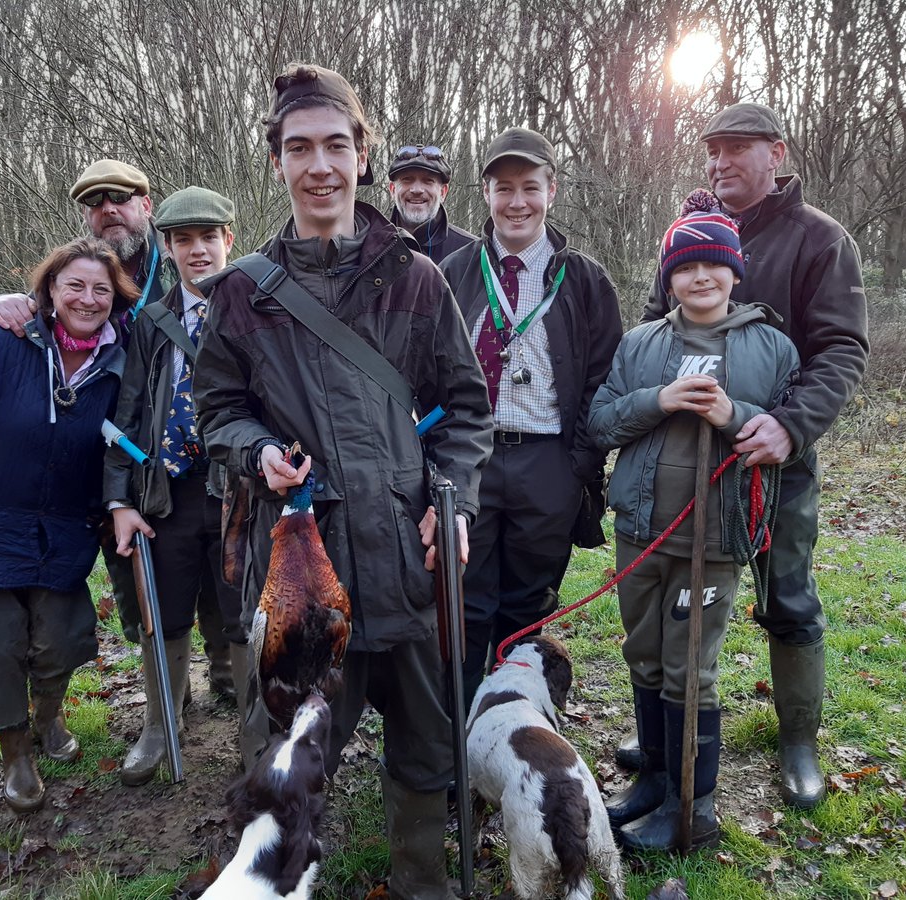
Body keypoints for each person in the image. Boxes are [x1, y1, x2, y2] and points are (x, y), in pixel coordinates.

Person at [193, 63, 492, 899]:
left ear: (362, 156)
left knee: (428, 743)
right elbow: (218, 410)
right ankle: (276, 879)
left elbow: (467, 411)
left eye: (335, 145)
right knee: (284, 745)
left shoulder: (418, 280)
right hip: (300, 569)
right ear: (278, 162)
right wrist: (257, 453)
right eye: (299, 148)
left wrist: (453, 499)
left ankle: (422, 880)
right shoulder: (243, 291)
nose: (319, 165)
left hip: (410, 558)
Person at [632, 103, 870, 809]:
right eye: (713, 150)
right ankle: (669, 741)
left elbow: (841, 349)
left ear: (777, 153)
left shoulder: (819, 240)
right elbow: (652, 329)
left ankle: (798, 741)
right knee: (677, 609)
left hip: (773, 467)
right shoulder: (692, 229)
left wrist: (790, 429)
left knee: (788, 599)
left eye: (738, 148)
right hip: (684, 471)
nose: (721, 161)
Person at [589, 190, 801, 850]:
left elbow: (787, 436)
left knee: (691, 668)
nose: (699, 278)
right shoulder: (640, 343)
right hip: (641, 530)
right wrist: (660, 399)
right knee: (644, 656)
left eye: (712, 266)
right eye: (684, 267)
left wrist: (730, 415)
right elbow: (599, 422)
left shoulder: (772, 348)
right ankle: (654, 780)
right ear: (669, 276)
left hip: (714, 536)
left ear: (734, 271)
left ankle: (694, 808)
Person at [0, 160, 237, 706]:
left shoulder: (186, 270)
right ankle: (167, 705)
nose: (108, 211)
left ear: (147, 207)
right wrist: (4, 305)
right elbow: (45, 311)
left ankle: (227, 679)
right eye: (96, 202)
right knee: (142, 587)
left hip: (215, 462)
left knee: (225, 581)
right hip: (119, 461)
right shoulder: (92, 279)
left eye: (120, 198)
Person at [0, 238, 136, 813]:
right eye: (74, 286)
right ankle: (15, 752)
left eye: (101, 289)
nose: (87, 299)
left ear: (116, 299)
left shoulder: (123, 355)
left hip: (65, 524)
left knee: (60, 639)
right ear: (49, 290)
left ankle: (48, 716)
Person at [440, 128, 622, 708]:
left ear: (552, 190)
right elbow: (426, 373)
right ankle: (459, 733)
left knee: (527, 601)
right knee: (465, 598)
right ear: (485, 193)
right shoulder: (451, 272)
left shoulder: (587, 281)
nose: (517, 202)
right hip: (473, 461)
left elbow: (603, 379)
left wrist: (577, 466)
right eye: (503, 188)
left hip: (549, 461)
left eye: (530, 187)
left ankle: (513, 715)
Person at [102, 186, 249, 784]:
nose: (197, 251)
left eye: (208, 238)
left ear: (228, 241)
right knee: (163, 613)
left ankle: (255, 729)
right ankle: (162, 723)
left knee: (243, 616)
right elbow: (127, 413)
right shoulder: (152, 324)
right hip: (169, 495)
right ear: (166, 245)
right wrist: (118, 500)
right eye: (183, 240)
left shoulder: (257, 311)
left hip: (241, 494)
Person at [386, 143, 475, 263]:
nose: (417, 190)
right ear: (392, 190)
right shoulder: (371, 245)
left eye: (428, 181)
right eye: (407, 179)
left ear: (443, 192)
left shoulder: (472, 252)